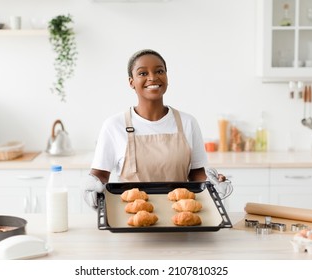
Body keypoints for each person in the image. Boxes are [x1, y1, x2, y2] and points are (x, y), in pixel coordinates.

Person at [84, 49, 225, 207]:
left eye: (159, 71)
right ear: (131, 82)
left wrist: (212, 184)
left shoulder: (188, 122)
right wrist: (92, 188)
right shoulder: (114, 126)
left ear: (166, 77)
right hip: (131, 218)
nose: (152, 77)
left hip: (181, 217)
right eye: (143, 73)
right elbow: (100, 175)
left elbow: (196, 173)